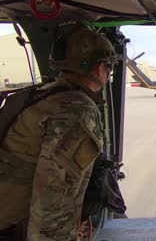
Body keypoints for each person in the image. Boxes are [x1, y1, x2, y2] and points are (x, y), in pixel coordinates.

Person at [0, 25, 117, 240]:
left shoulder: (37, 95)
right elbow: (56, 199)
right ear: (101, 69)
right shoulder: (75, 109)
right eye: (110, 68)